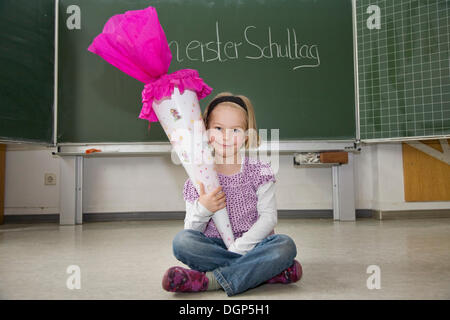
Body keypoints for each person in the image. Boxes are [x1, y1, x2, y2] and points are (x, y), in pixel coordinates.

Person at [162, 92, 302, 296]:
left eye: (235, 130)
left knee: (285, 246)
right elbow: (191, 230)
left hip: (255, 244)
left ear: (247, 135)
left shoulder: (259, 169)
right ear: (205, 132)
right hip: (215, 245)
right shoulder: (197, 176)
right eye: (218, 128)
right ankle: (264, 271)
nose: (226, 137)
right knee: (182, 242)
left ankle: (210, 280)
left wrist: (238, 249)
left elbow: (269, 218)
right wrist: (203, 208)